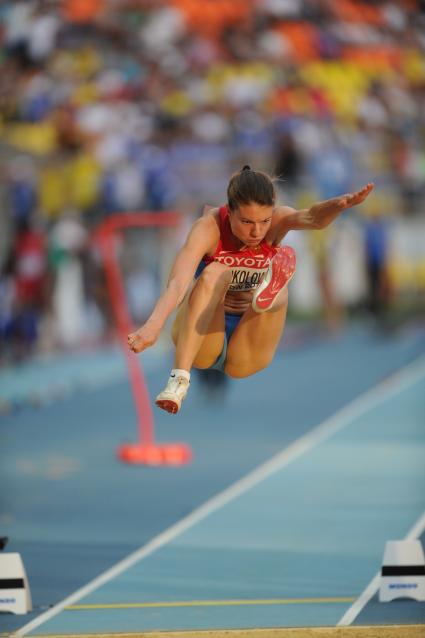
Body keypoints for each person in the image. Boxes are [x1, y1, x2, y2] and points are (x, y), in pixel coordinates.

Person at [128, 166, 374, 414]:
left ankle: (266, 297)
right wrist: (153, 326)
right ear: (229, 211)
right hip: (203, 335)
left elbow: (313, 218)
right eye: (246, 222)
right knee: (214, 273)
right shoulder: (208, 228)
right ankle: (178, 382)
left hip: (247, 347)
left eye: (264, 221)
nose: (256, 231)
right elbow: (177, 283)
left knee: (281, 292)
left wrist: (339, 205)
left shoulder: (278, 222)